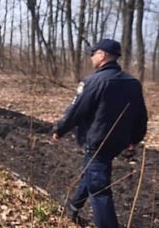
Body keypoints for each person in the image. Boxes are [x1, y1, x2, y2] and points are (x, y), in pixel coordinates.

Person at [52, 39, 147, 228]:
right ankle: (72, 207)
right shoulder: (133, 83)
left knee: (99, 187)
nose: (91, 58)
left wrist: (59, 129)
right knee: (92, 171)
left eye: (93, 54)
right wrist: (135, 139)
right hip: (118, 142)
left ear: (102, 55)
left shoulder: (94, 81)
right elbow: (141, 115)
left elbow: (76, 110)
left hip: (97, 142)